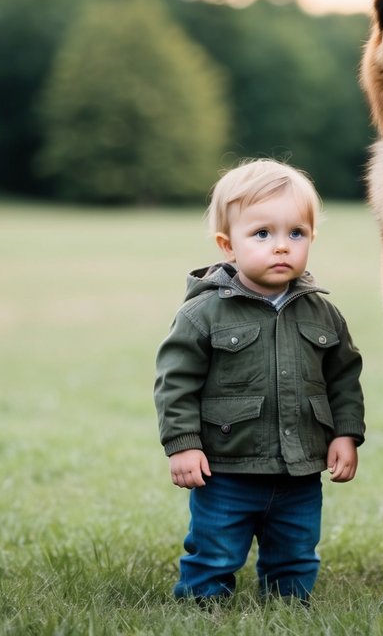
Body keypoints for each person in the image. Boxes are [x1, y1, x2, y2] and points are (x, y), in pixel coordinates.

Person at [154, 159, 365, 603]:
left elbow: (343, 378)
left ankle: (289, 602)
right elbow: (176, 382)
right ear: (227, 245)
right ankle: (203, 602)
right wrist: (183, 443)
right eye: (262, 234)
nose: (281, 247)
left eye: (296, 233)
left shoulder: (323, 314)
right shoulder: (203, 314)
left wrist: (346, 434)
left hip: (300, 469)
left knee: (296, 551)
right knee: (214, 549)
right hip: (226, 468)